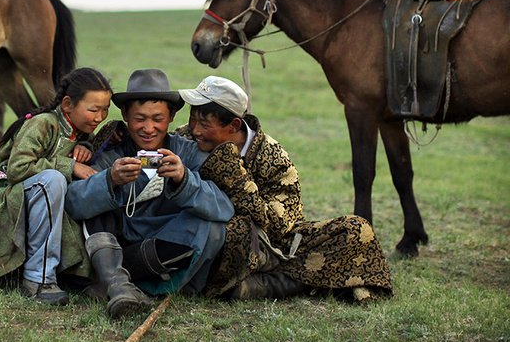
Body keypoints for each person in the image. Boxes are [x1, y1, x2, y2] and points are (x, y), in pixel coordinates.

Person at [176, 75, 393, 301]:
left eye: (204, 124)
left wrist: (234, 176)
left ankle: (265, 285)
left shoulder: (273, 156)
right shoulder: (186, 137)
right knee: (228, 232)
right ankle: (290, 284)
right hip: (221, 239)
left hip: (275, 246)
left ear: (234, 125)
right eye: (192, 119)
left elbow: (279, 226)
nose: (195, 130)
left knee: (356, 229)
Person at [65, 69, 235, 319]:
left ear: (172, 116)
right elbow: (73, 202)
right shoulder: (113, 152)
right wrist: (109, 180)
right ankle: (117, 284)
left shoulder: (187, 153)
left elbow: (224, 208)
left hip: (164, 244)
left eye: (158, 118)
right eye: (139, 119)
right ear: (124, 115)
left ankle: (136, 285)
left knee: (212, 228)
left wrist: (184, 179)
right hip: (118, 247)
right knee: (96, 208)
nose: (148, 128)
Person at [0, 67, 113, 306]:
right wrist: (69, 166)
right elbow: (17, 168)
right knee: (53, 180)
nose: (99, 117)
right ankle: (38, 279)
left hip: (33, 197)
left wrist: (85, 145)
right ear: (67, 105)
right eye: (93, 110)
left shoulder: (77, 130)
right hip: (8, 197)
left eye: (105, 110)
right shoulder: (44, 124)